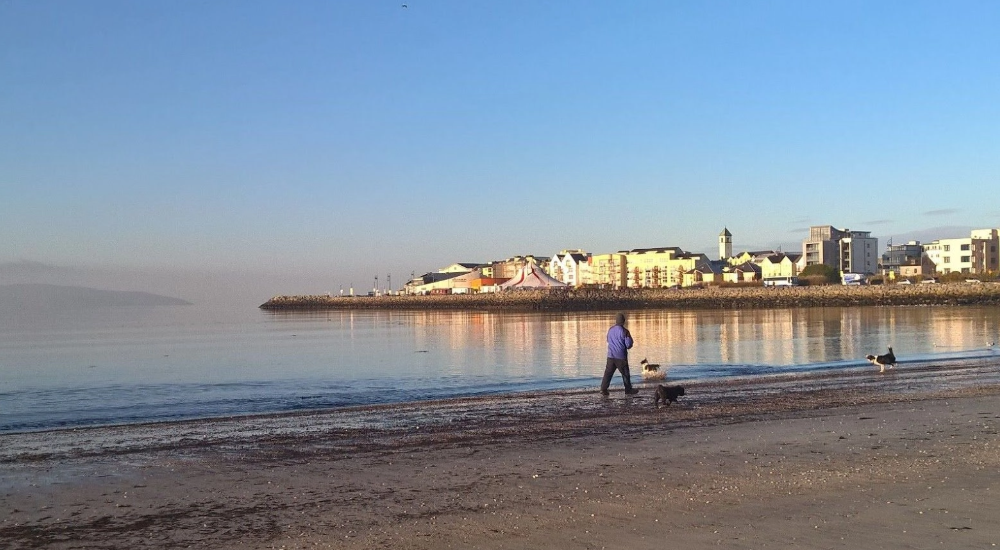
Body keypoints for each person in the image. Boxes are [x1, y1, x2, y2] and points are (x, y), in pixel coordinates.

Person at [601, 312, 639, 396]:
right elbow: (628, 345)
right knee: (625, 374)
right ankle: (628, 389)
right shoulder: (625, 331)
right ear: (623, 321)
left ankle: (603, 389)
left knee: (608, 373)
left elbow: (608, 340)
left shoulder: (610, 330)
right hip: (621, 357)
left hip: (610, 356)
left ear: (616, 321)